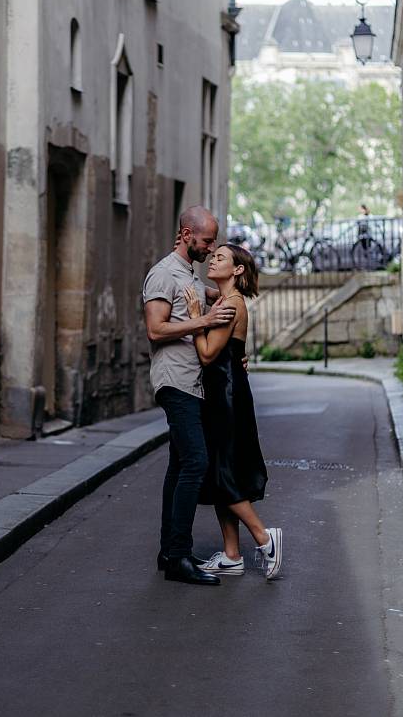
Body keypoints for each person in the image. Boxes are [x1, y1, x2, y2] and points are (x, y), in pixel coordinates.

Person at [143, 207, 237, 586]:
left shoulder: (190, 276)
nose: (211, 247)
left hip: (191, 381)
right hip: (174, 381)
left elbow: (219, 299)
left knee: (180, 465)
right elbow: (155, 329)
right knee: (196, 462)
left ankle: (170, 552)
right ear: (186, 234)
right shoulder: (164, 274)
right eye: (207, 240)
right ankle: (179, 556)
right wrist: (205, 321)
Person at [183, 245, 284, 580]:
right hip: (223, 391)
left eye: (221, 258)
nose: (213, 259)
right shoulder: (224, 301)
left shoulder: (231, 304)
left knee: (222, 472)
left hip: (225, 396)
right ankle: (231, 555)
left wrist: (198, 319)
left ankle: (264, 537)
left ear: (238, 270)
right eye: (213, 256)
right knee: (220, 471)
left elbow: (209, 354)